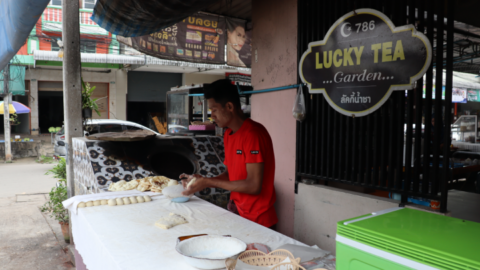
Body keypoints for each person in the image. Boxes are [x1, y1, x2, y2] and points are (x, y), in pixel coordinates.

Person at [181, 79, 278, 229]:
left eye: (214, 109)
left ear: (229, 106)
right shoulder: (228, 134)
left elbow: (253, 186)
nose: (211, 115)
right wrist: (202, 180)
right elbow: (229, 175)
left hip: (258, 218)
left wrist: (208, 182)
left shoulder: (253, 134)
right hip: (238, 211)